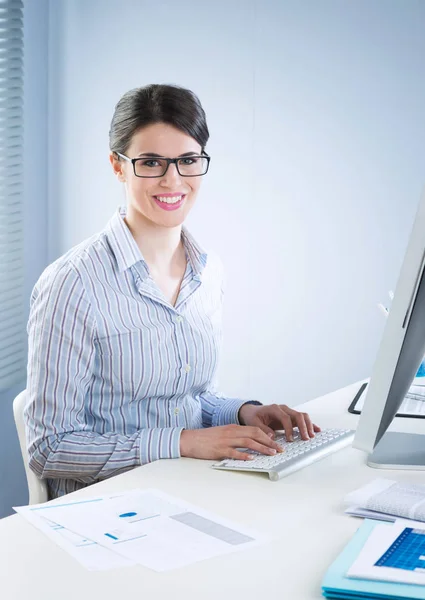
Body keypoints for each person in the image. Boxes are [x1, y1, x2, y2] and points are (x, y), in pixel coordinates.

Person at [25, 84, 320, 499]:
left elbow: (193, 398)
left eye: (187, 161)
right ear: (118, 166)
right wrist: (182, 442)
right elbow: (49, 449)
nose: (172, 180)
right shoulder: (72, 284)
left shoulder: (207, 271)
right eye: (151, 162)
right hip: (105, 510)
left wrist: (244, 412)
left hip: (188, 491)